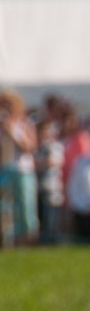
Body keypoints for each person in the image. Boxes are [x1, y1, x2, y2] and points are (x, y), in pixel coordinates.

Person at [0, 90, 39, 246]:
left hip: (22, 170)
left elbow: (30, 147)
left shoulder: (24, 123)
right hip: (5, 169)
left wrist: (12, 133)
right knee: (5, 208)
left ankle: (27, 240)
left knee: (25, 207)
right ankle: (6, 241)